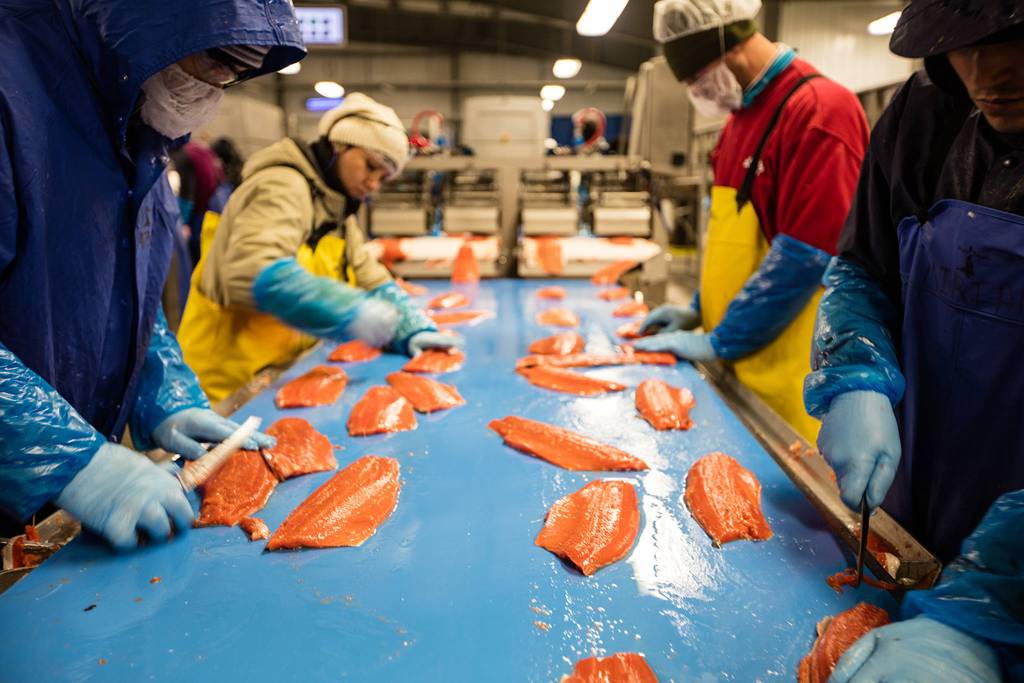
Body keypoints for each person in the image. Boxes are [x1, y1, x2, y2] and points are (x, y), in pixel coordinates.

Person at [0, 0, 305, 550]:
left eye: (235, 73)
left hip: (45, 507)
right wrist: (65, 456)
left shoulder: (139, 128)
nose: (219, 86)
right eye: (215, 60)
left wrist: (164, 394)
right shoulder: (11, 92)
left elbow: (120, 295)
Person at [804, 2, 1023, 679]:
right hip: (912, 515)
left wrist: (984, 607)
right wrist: (857, 374)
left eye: (1013, 38)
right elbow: (864, 267)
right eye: (961, 44)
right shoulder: (929, 110)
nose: (985, 72)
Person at [635, 0, 868, 441]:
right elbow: (736, 240)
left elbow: (807, 253)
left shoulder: (820, 110)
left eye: (696, 79)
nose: (697, 92)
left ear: (728, 46)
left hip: (788, 376)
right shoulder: (740, 119)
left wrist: (721, 340)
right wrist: (698, 309)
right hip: (740, 363)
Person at [177, 93, 461, 402]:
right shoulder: (281, 185)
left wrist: (410, 327)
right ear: (340, 144)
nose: (373, 185)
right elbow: (252, 271)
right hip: (223, 386)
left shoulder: (336, 209)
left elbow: (371, 277)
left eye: (383, 178)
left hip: (277, 377)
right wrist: (349, 311)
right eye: (369, 166)